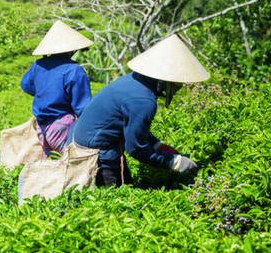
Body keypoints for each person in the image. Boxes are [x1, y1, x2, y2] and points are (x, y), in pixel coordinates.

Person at [67, 34, 209, 186]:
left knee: (127, 185)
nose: (178, 87)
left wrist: (156, 145)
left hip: (81, 137)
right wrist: (175, 163)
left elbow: (131, 127)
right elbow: (136, 149)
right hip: (94, 150)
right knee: (115, 198)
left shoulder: (135, 79)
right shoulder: (144, 101)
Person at [20, 20, 94, 158]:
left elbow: (26, 85)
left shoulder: (39, 65)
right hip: (62, 125)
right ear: (72, 49)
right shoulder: (74, 70)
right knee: (70, 163)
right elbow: (82, 107)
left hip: (41, 127)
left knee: (52, 164)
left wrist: (44, 94)